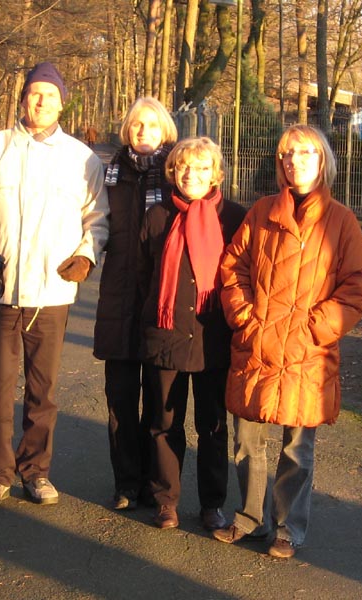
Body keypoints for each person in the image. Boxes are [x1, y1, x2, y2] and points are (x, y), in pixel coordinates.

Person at [212, 124, 362, 557]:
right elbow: (233, 268)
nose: (294, 161)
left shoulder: (341, 221)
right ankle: (249, 519)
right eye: (287, 154)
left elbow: (358, 284)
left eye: (304, 153)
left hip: (308, 352)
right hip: (257, 345)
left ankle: (288, 528)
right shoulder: (261, 212)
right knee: (247, 441)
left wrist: (316, 329)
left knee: (298, 449)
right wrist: (245, 319)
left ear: (322, 160)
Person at [0, 62, 109, 508]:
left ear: (62, 103)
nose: (42, 102)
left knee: (43, 392)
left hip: (52, 292)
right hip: (2, 291)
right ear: (23, 99)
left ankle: (36, 473)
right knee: (0, 390)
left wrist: (86, 255)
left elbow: (98, 217)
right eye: (35, 93)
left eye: (50, 95)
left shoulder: (82, 159)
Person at [137, 137, 247, 531]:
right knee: (163, 422)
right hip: (165, 335)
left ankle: (212, 504)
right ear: (172, 171)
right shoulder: (157, 216)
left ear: (216, 174)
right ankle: (165, 500)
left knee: (212, 426)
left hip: (213, 337)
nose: (192, 174)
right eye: (184, 166)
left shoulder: (235, 218)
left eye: (202, 167)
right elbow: (143, 277)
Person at [94, 97, 178, 511]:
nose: (143, 131)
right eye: (136, 125)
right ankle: (127, 483)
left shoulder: (178, 175)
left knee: (161, 403)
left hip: (162, 301)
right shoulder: (109, 175)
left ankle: (157, 486)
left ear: (165, 131)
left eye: (152, 125)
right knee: (121, 399)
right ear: (127, 130)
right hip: (118, 298)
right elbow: (91, 222)